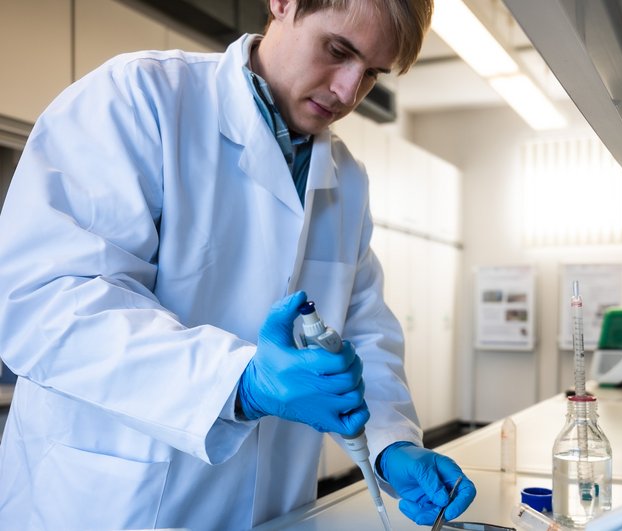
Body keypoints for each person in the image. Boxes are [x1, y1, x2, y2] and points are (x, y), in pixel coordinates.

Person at [0, 0, 476, 528]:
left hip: (271, 510)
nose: (347, 92)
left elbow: (361, 334)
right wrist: (238, 381)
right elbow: (50, 303)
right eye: (338, 50)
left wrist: (390, 443)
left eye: (371, 74)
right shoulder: (138, 99)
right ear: (282, 4)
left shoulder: (347, 179)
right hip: (110, 505)